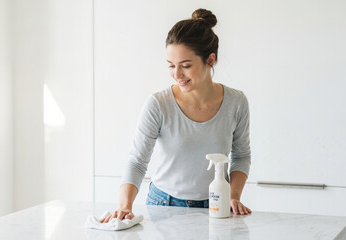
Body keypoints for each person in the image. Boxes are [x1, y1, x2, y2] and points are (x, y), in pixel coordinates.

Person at [101, 8, 252, 223]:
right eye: (171, 66)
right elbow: (137, 161)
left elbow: (242, 156)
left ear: (210, 60)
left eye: (186, 66)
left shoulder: (236, 102)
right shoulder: (158, 104)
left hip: (217, 206)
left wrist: (233, 196)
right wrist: (124, 206)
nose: (177, 75)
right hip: (163, 205)